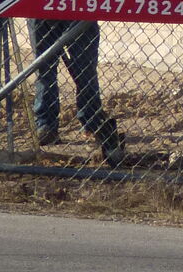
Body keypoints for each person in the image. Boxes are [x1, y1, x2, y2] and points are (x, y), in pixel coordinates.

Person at [31, 19, 125, 164]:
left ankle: (93, 123)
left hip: (79, 5)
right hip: (42, 6)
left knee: (84, 70)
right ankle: (45, 125)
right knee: (44, 69)